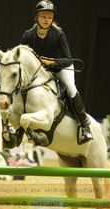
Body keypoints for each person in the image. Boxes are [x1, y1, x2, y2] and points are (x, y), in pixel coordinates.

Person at [20, 0, 93, 144]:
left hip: (61, 68)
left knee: (71, 88)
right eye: (43, 16)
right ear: (36, 17)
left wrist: (51, 62)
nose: (46, 20)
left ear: (52, 19)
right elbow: (21, 57)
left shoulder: (59, 34)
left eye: (49, 17)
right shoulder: (28, 35)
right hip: (40, 71)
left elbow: (68, 59)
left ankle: (85, 126)